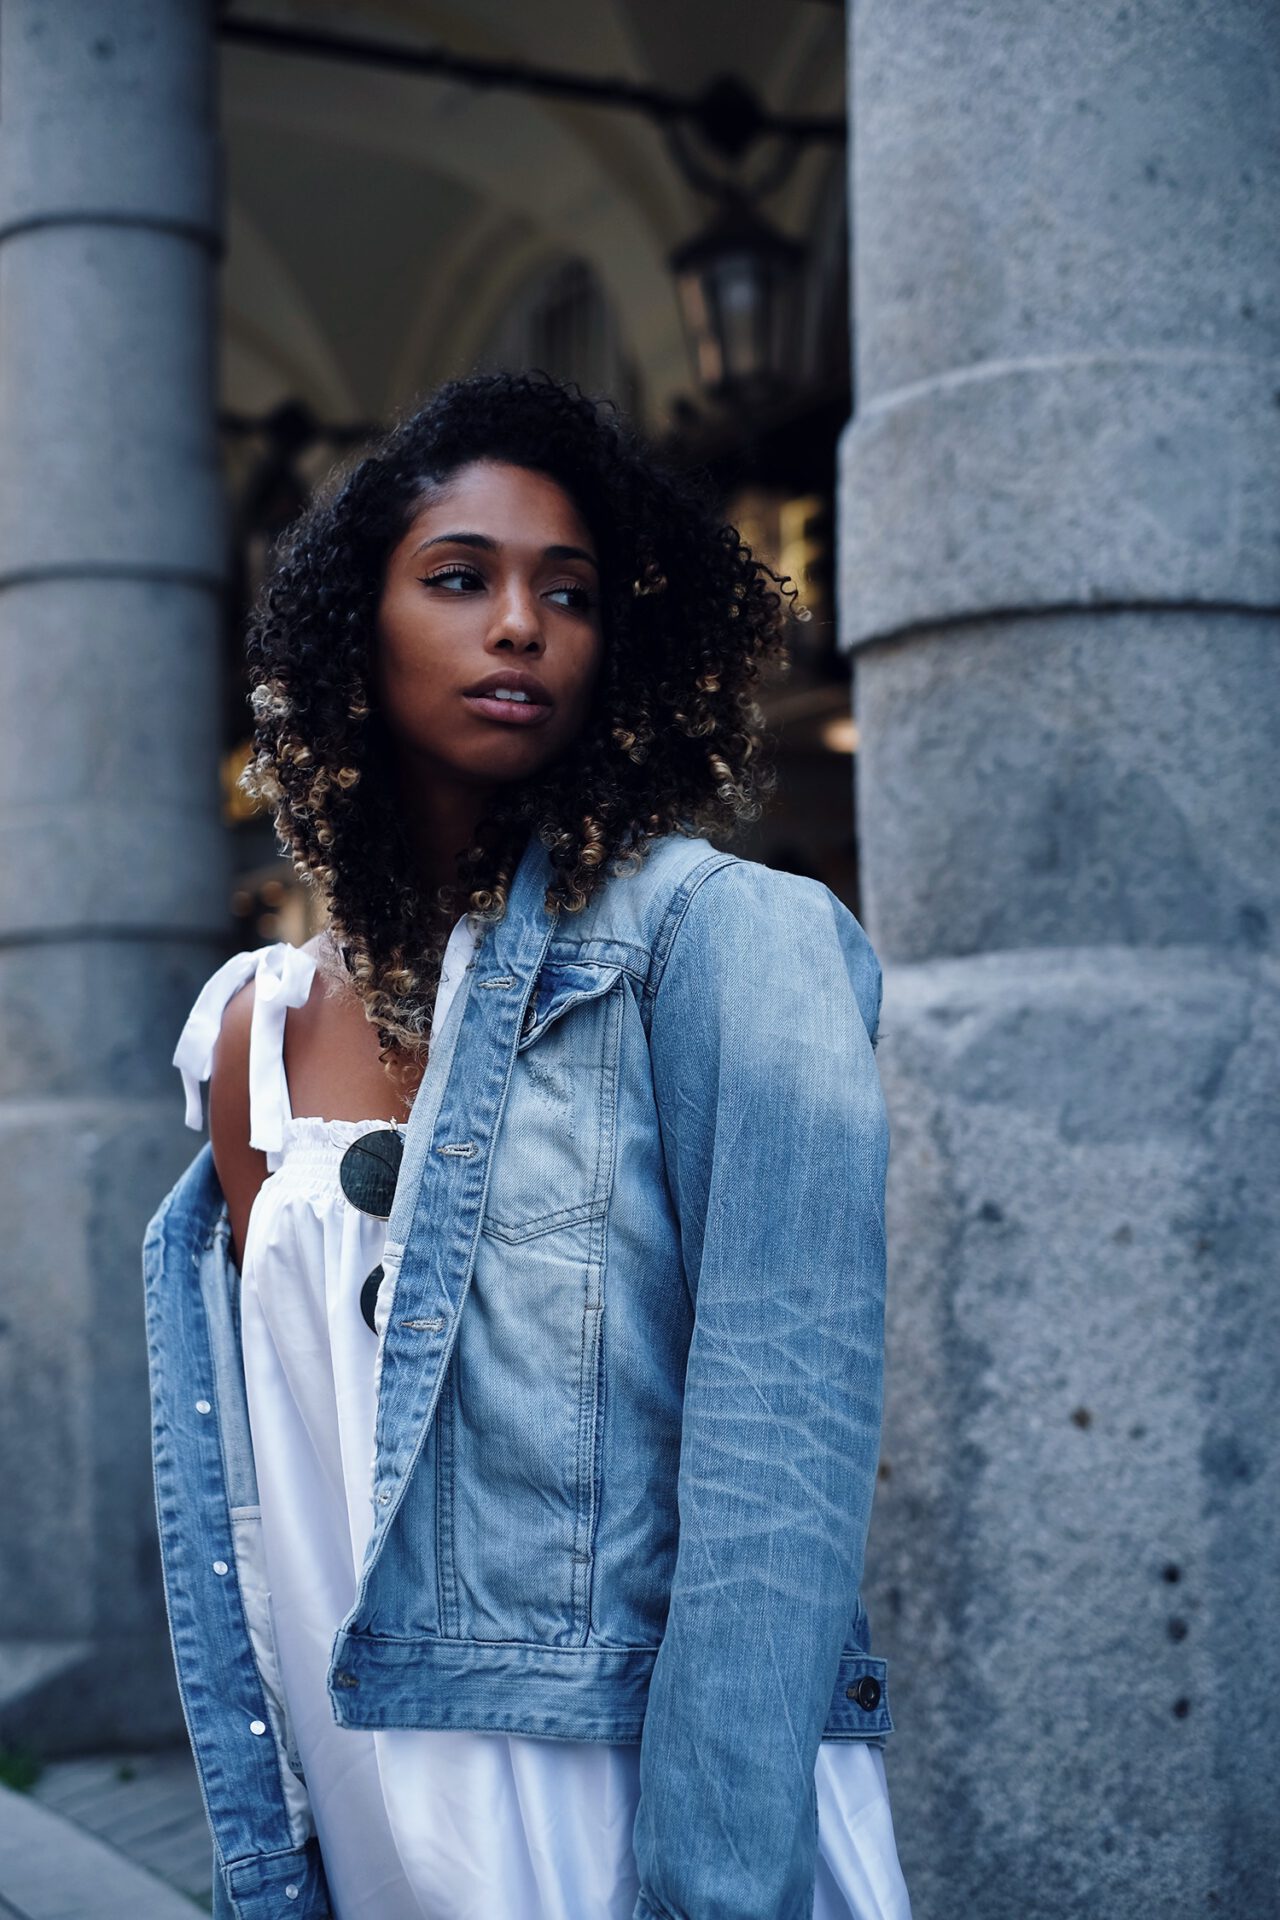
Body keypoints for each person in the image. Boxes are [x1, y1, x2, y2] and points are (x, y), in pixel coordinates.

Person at [150, 368, 912, 1920]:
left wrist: (708, 1878)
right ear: (351, 633)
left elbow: (786, 1458)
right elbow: (264, 1481)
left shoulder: (731, 947)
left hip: (634, 1776)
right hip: (366, 1787)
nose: (519, 625)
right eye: (459, 579)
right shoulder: (252, 1033)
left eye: (566, 592)